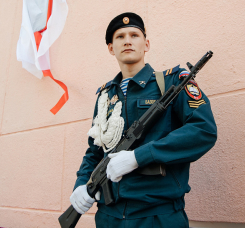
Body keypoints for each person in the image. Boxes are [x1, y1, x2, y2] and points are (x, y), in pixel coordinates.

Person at [70, 12, 218, 227]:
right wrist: (82, 184)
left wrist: (138, 157)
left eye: (134, 35)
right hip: (109, 217)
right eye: (120, 37)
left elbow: (203, 131)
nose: (127, 41)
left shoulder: (172, 83)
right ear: (111, 48)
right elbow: (94, 151)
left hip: (158, 216)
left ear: (146, 44)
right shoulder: (105, 96)